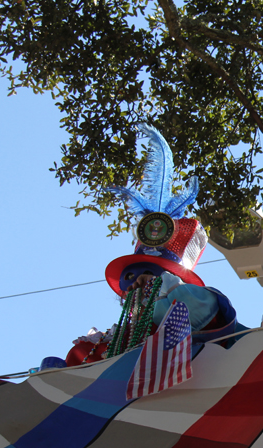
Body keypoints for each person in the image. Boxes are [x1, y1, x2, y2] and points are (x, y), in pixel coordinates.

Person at [65, 125, 242, 366]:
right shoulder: (105, 344)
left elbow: (198, 312)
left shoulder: (200, 303)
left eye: (150, 274)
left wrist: (162, 286)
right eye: (131, 276)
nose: (138, 282)